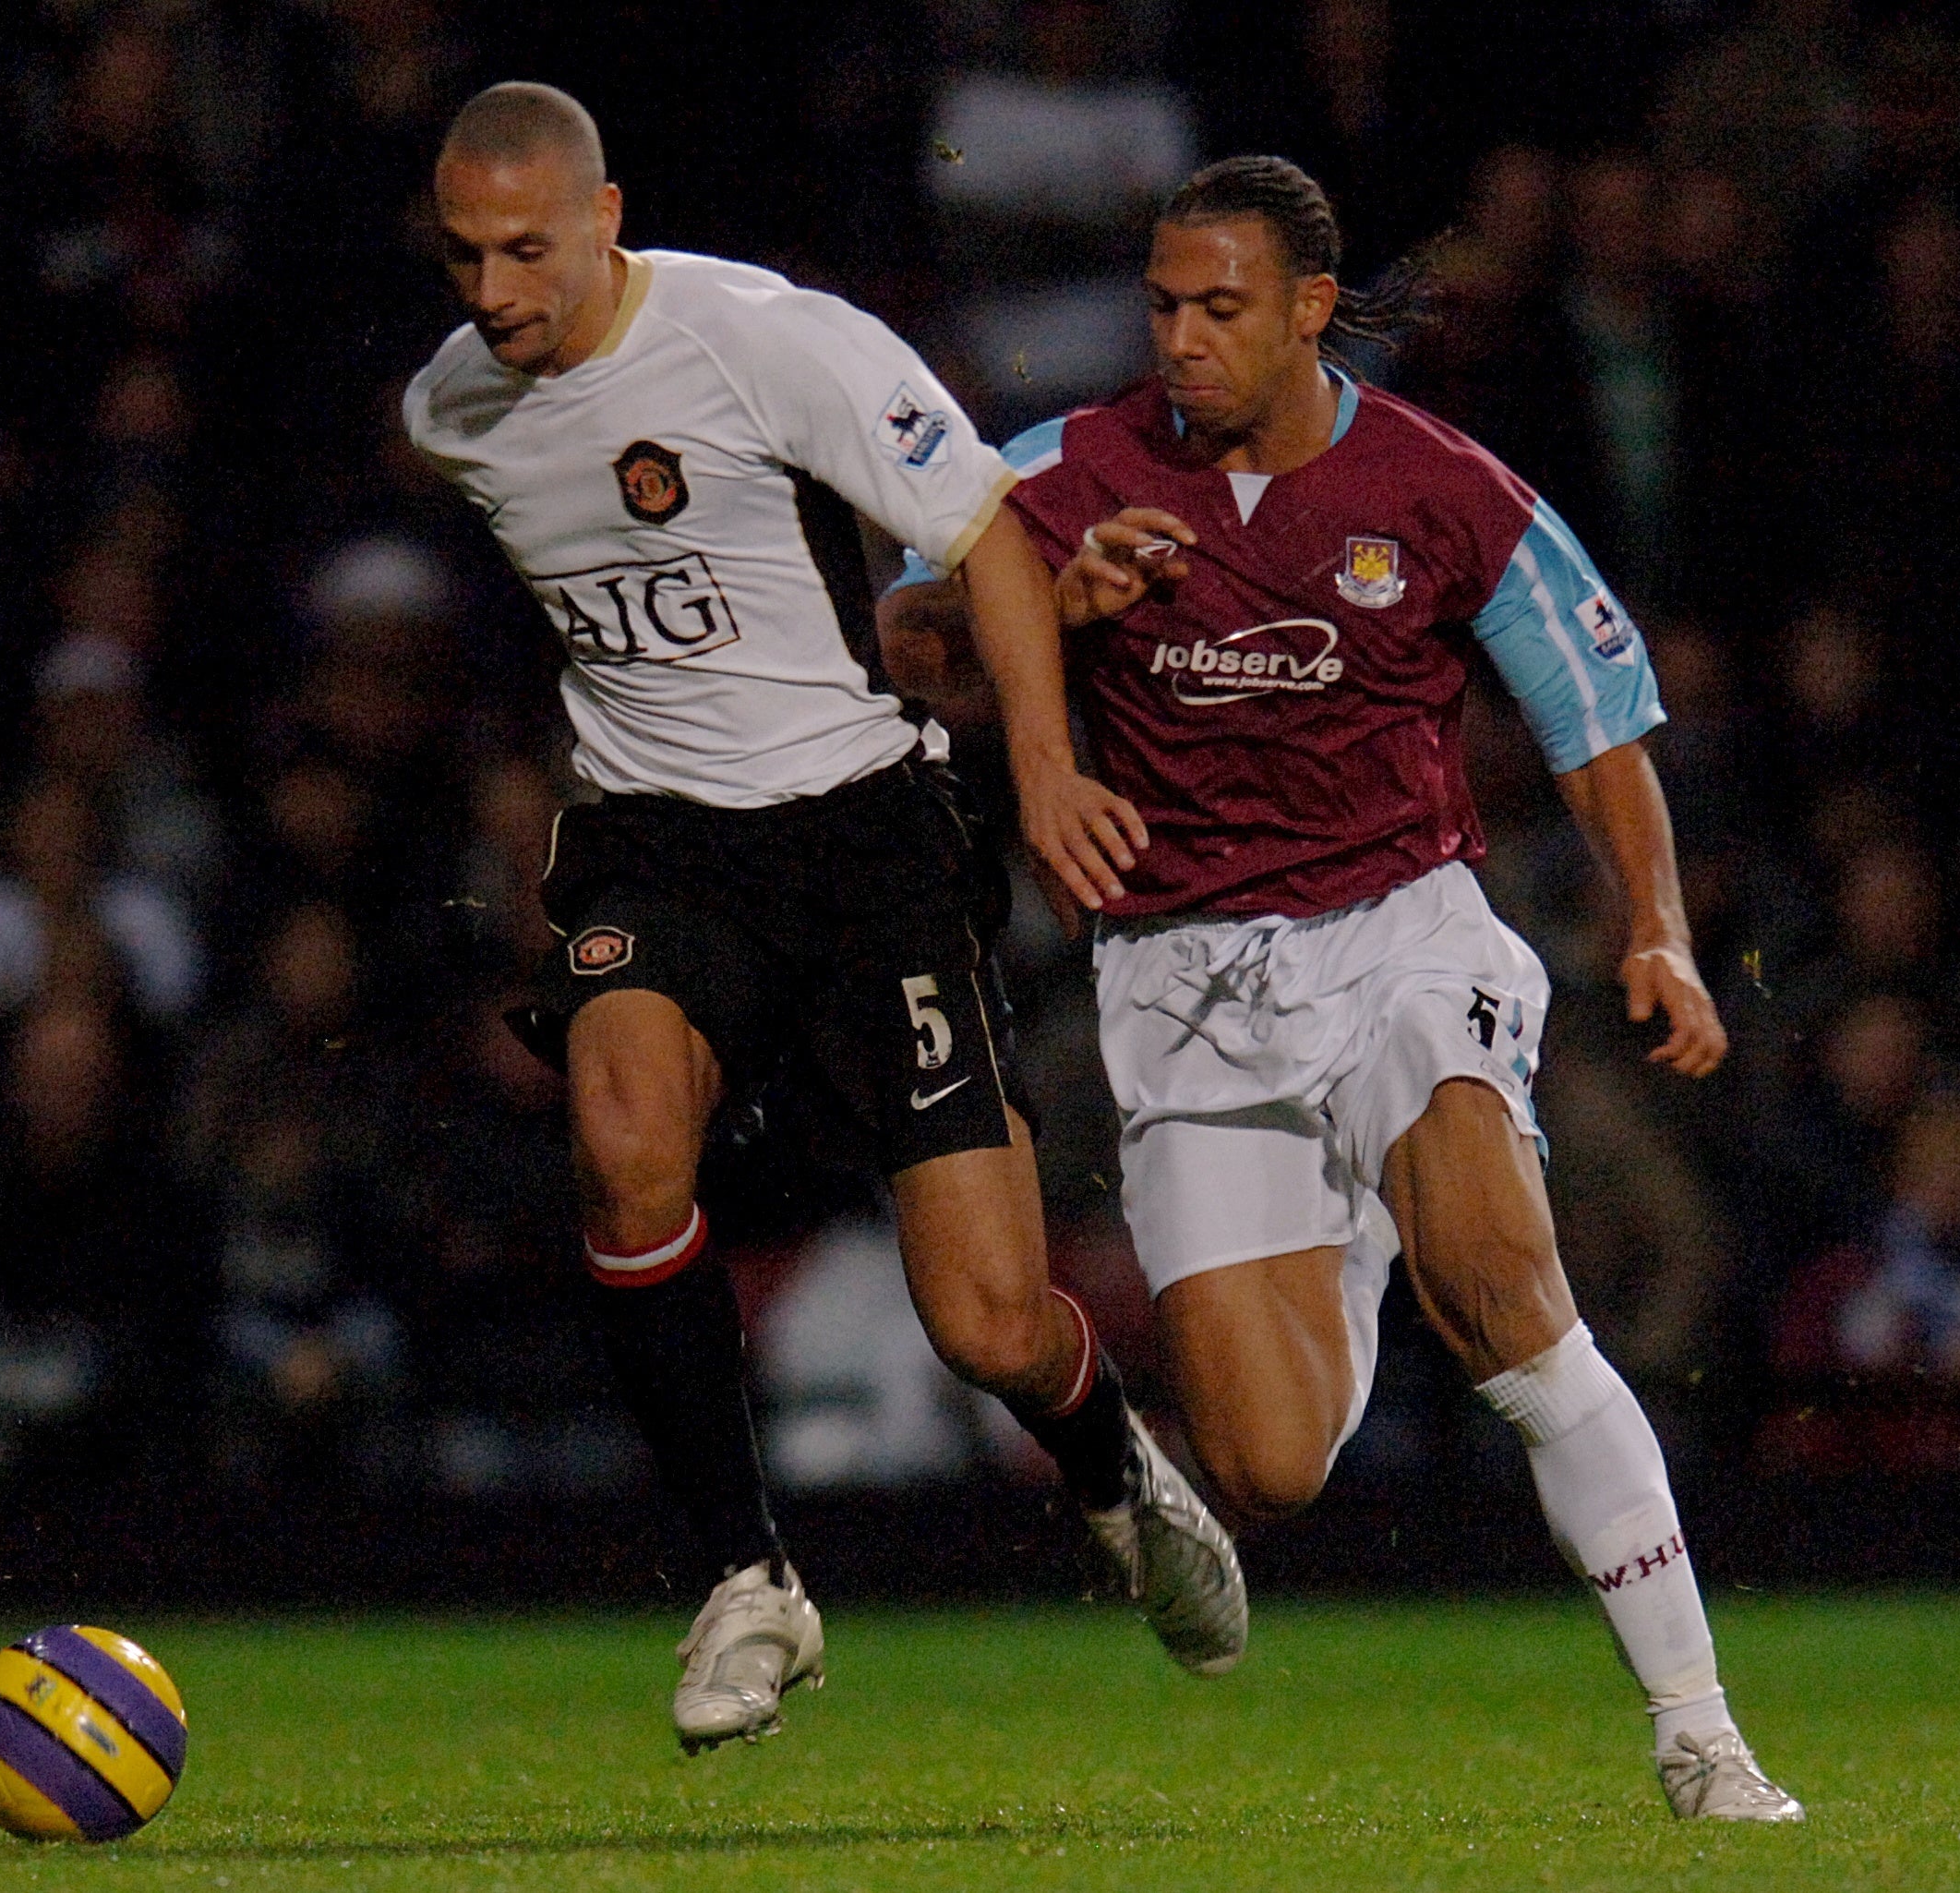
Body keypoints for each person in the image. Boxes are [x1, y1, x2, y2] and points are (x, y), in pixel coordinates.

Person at [881, 156, 1801, 1824]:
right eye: (1160, 305)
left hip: (1400, 932)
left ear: (1309, 310)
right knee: (1265, 1466)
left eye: (1216, 307)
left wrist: (1653, 927)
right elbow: (911, 649)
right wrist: (1053, 609)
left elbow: (1598, 718)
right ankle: (1353, 1222)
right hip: (1181, 980)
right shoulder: (1060, 475)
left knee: (1509, 1293)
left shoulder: (1441, 485)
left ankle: (1697, 1729)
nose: (1178, 339)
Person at [403, 82, 1239, 1753]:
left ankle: (1111, 1463)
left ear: (606, 215)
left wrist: (1052, 771)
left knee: (988, 1321)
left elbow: (982, 545)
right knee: (621, 1127)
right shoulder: (453, 411)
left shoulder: (766, 342)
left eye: (525, 249)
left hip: (864, 838)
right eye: (463, 253)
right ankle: (745, 1578)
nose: (493, 292)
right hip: (656, 843)